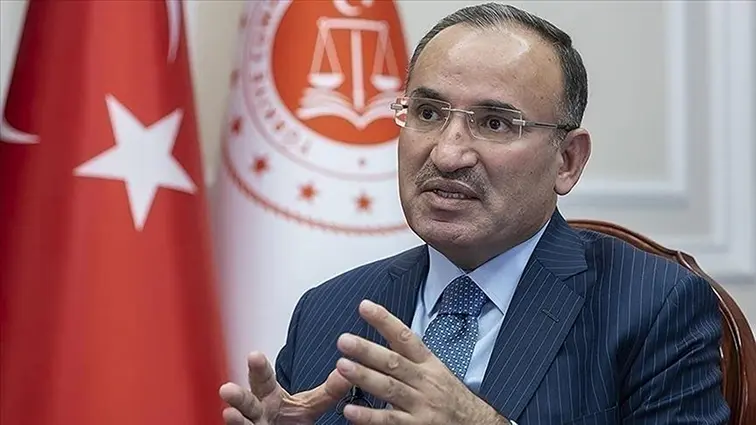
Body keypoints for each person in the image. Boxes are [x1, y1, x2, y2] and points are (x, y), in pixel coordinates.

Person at [218, 2, 730, 424]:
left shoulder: (651, 307)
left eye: (494, 123)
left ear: (567, 161)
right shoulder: (328, 310)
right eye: (427, 113)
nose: (447, 154)